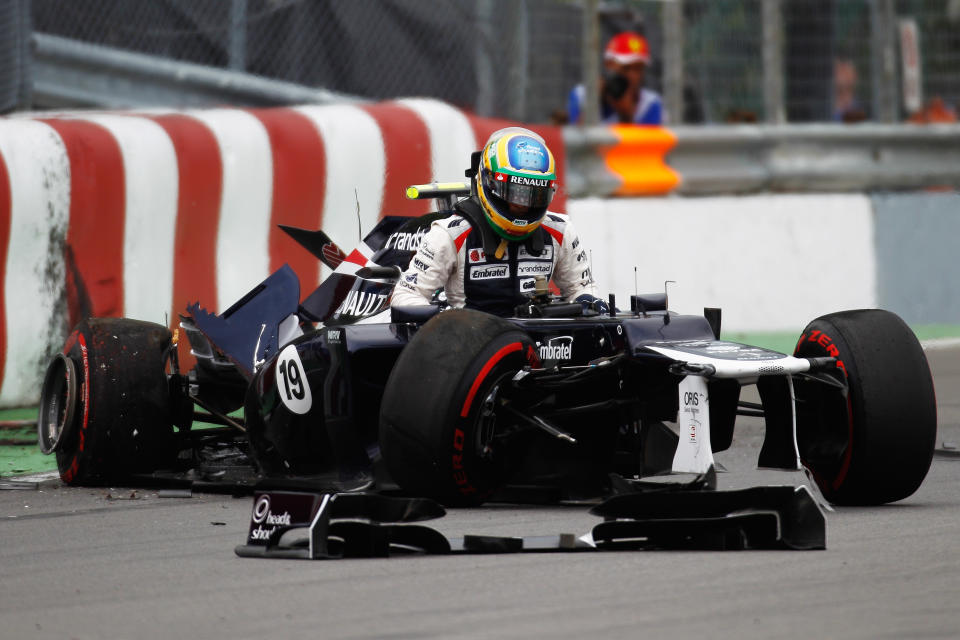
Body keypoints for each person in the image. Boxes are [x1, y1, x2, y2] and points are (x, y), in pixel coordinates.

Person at [391, 127, 606, 318]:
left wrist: (587, 301)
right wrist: (441, 322)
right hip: (470, 347)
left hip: (539, 348)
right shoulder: (450, 235)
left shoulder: (560, 230)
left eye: (535, 195)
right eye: (515, 193)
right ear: (489, 182)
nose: (523, 205)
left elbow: (581, 288)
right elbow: (407, 295)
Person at [567, 31, 664, 125]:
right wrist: (594, 101)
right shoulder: (581, 95)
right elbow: (579, 138)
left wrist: (626, 116)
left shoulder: (650, 104)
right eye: (626, 68)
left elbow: (645, 141)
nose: (632, 75)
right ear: (608, 64)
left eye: (638, 69)